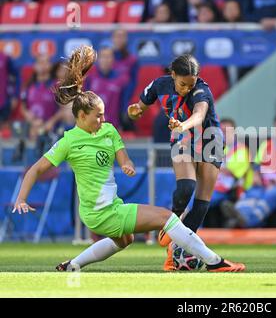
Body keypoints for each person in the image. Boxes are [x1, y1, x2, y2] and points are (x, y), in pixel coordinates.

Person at [13, 46, 245, 273]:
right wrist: (21, 198)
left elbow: (124, 156)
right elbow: (36, 169)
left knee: (125, 240)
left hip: (112, 206)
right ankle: (214, 261)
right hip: (99, 211)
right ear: (81, 116)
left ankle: (74, 264)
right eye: (98, 115)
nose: (104, 119)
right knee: (167, 217)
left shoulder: (108, 131)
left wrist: (126, 164)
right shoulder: (67, 141)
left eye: (104, 113)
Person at [128, 54, 225, 271]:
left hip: (210, 139)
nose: (186, 89)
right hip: (183, 139)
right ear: (172, 75)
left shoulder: (201, 90)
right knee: (186, 187)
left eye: (190, 84)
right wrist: (134, 111)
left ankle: (176, 248)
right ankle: (172, 226)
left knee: (202, 201)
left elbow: (200, 115)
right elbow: (139, 107)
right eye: (182, 84)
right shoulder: (159, 85)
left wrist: (183, 125)